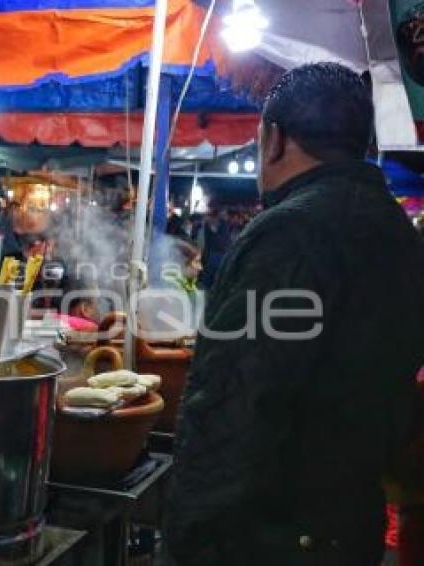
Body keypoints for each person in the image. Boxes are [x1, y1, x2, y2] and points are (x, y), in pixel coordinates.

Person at [164, 63, 424, 565]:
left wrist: (187, 542)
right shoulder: (399, 234)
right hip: (353, 526)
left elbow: (231, 403)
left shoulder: (287, 234)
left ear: (275, 139)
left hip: (267, 539)